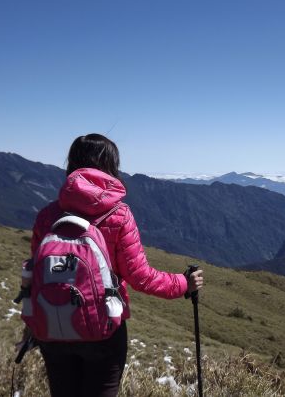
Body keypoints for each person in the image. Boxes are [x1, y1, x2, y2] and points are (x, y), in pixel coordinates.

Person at [18, 133, 204, 397]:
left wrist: (30, 322)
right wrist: (184, 283)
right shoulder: (118, 215)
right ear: (110, 166)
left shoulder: (48, 215)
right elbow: (141, 278)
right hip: (103, 329)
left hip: (51, 327)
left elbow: (35, 273)